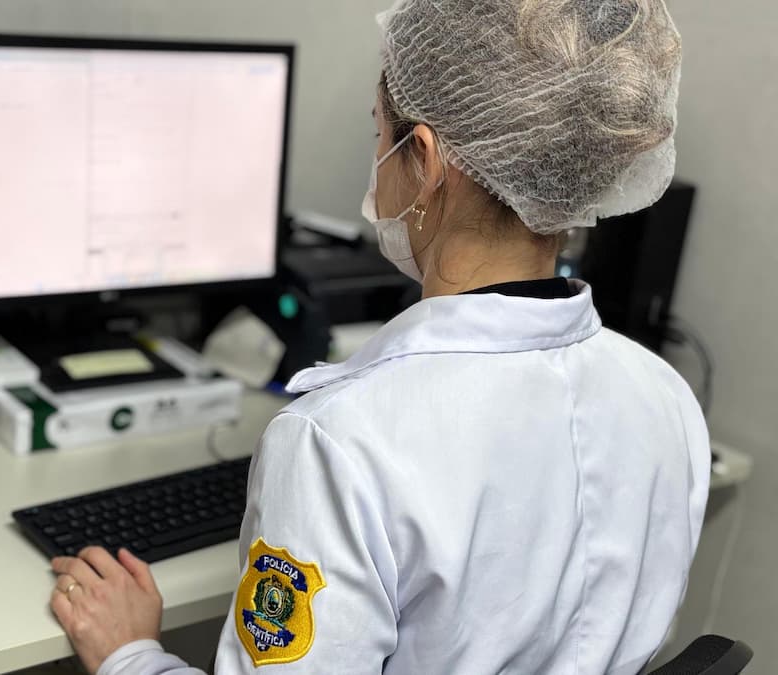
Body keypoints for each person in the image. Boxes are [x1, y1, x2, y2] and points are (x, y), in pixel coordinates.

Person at [48, 0, 709, 672]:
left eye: (379, 134)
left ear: (423, 159)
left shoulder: (341, 440)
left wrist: (130, 654)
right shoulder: (665, 394)